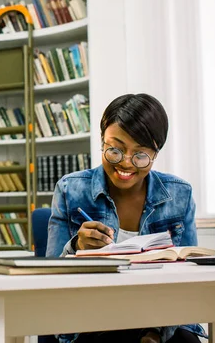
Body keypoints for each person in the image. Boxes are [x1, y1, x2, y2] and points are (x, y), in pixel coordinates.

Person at [46, 94, 206, 343]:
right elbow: (49, 279)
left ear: (156, 153)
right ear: (102, 141)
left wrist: (156, 332)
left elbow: (188, 283)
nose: (126, 164)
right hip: (93, 322)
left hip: (161, 319)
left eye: (140, 155)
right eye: (115, 150)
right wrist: (76, 247)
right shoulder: (70, 190)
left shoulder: (179, 194)